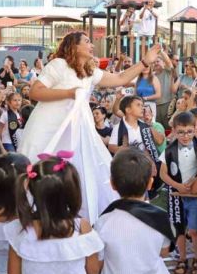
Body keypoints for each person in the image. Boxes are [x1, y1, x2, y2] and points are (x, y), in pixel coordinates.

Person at [20, 31, 162, 222]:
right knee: (40, 169)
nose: (92, 45)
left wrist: (144, 62)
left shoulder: (90, 71)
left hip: (77, 130)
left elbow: (120, 78)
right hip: (50, 127)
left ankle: (72, 219)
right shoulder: (59, 65)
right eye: (87, 41)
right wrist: (69, 93)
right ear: (74, 46)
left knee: (80, 171)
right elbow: (35, 92)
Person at [5, 155, 103, 274]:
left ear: (32, 190)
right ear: (72, 192)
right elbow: (92, 270)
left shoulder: (21, 229)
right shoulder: (82, 226)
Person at [95, 149, 174, 274]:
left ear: (112, 183)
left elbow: (98, 262)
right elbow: (164, 252)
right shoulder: (160, 218)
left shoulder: (103, 221)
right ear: (150, 183)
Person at [159, 111, 197, 274]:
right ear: (174, 131)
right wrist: (177, 186)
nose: (185, 136)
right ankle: (182, 257)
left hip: (195, 196)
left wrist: (194, 181)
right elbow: (163, 174)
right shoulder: (169, 150)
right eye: (181, 132)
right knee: (178, 227)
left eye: (189, 131)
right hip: (176, 195)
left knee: (195, 229)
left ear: (195, 130)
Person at [154, 50, 176, 128]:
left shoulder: (168, 72)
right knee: (157, 127)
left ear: (163, 63)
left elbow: (169, 63)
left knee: (168, 127)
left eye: (158, 61)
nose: (156, 63)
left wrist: (161, 51)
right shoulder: (152, 76)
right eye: (154, 62)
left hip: (167, 104)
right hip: (155, 105)